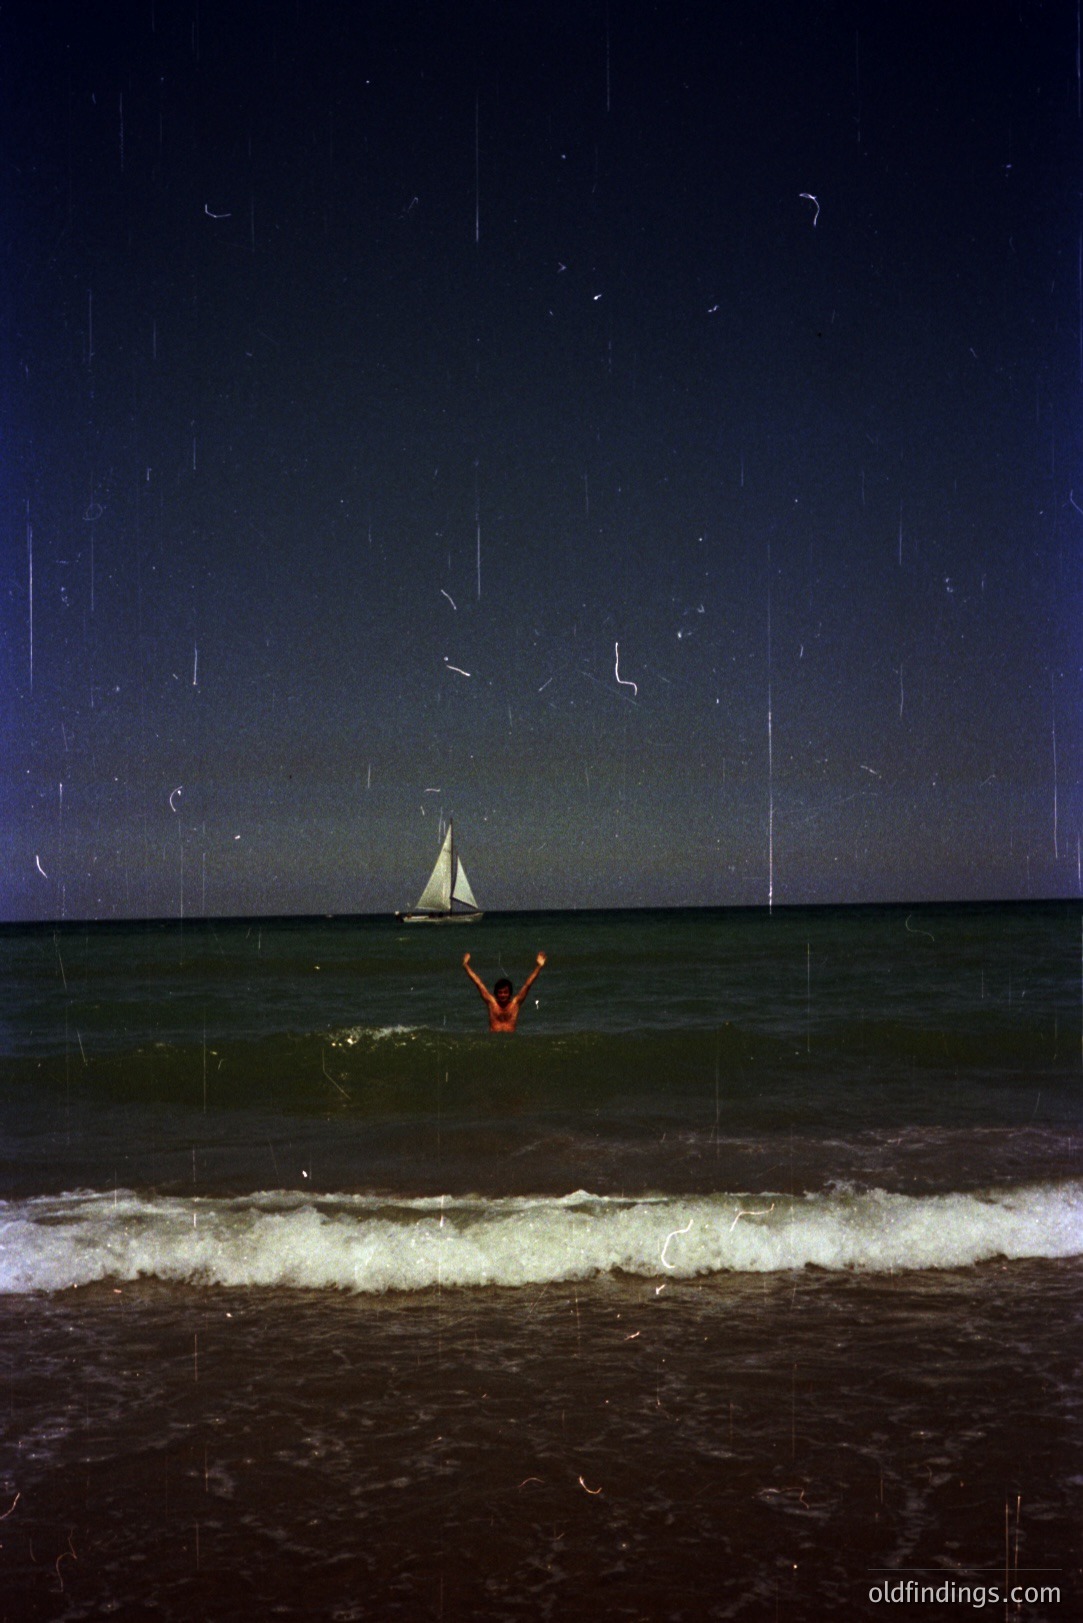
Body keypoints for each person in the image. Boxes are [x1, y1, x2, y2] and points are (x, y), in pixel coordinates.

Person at [462, 951, 546, 1033]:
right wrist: (466, 966)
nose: (503, 995)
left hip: (510, 1041)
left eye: (505, 992)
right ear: (496, 993)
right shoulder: (492, 1003)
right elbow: (478, 983)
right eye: (500, 992)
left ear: (510, 993)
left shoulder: (515, 1004)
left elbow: (527, 985)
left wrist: (539, 966)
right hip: (494, 1039)